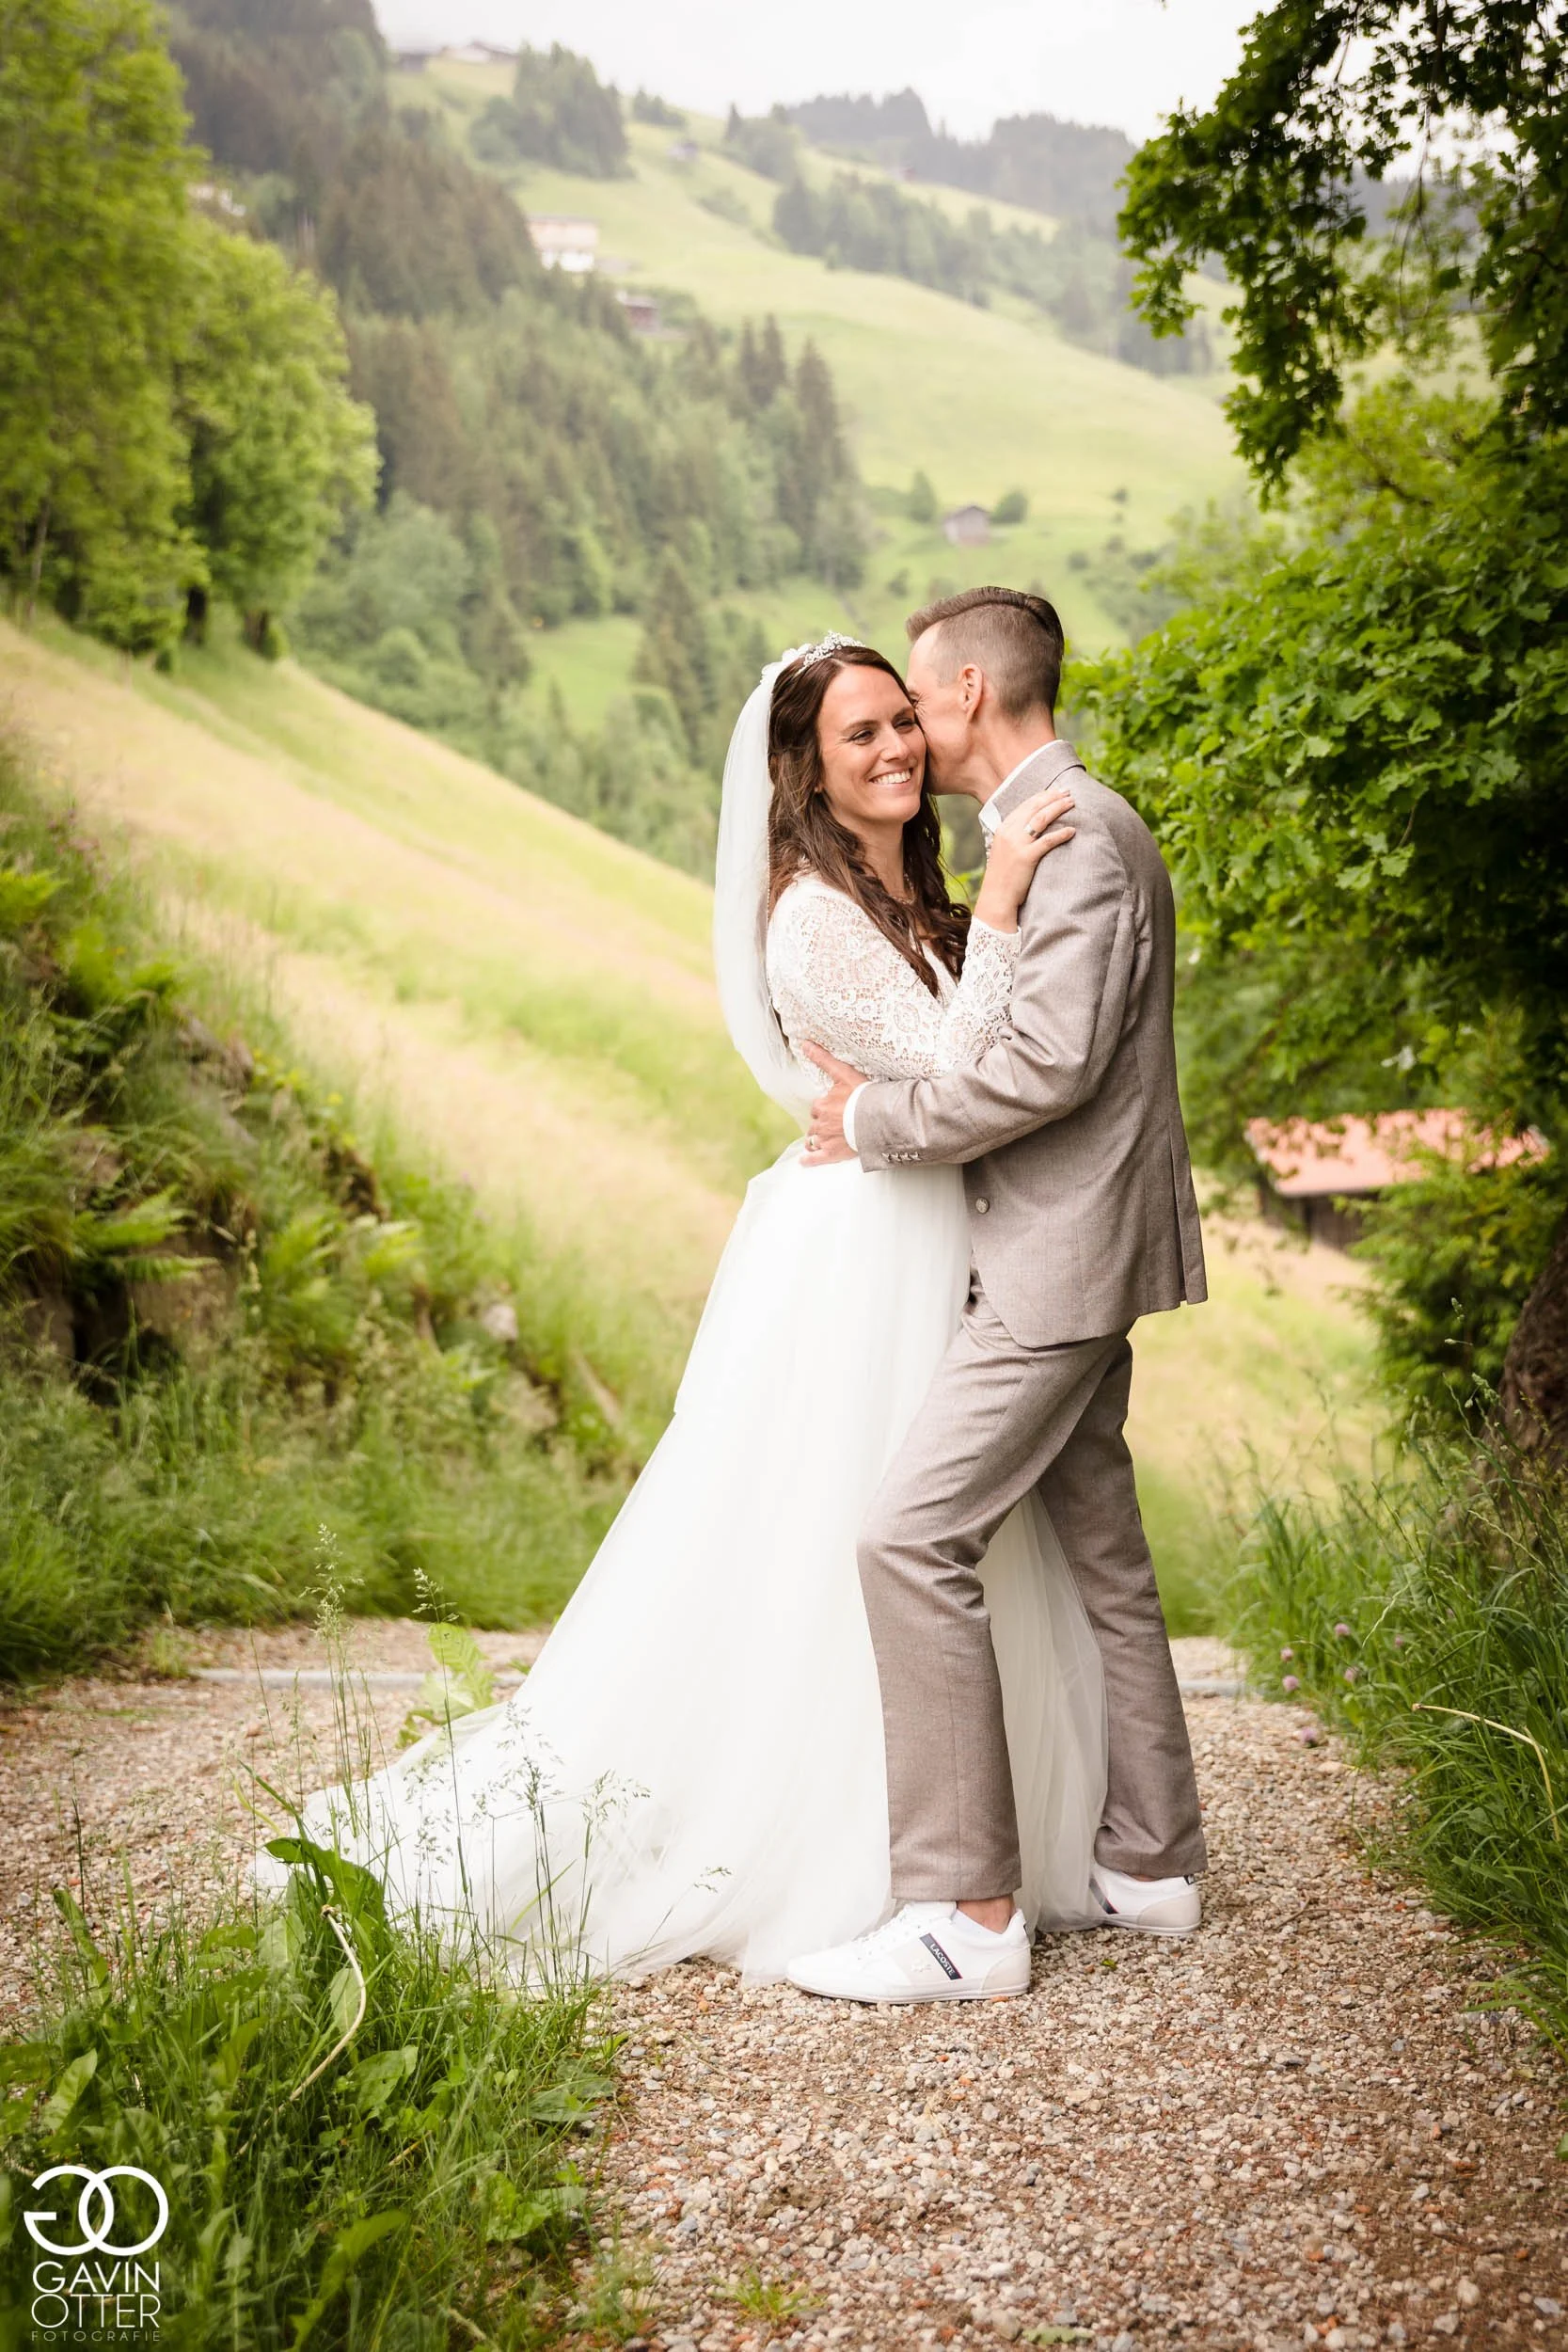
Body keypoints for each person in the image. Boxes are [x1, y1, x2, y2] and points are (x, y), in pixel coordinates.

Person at [258, 633, 1107, 1984]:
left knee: (949, 1535)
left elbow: (986, 1070)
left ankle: (976, 1848)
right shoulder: (810, 919)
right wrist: (1005, 901)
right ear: (806, 774)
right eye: (859, 736)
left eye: (901, 722)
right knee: (854, 1527)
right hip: (862, 1253)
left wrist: (977, 915)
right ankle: (871, 1855)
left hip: (930, 1234)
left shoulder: (909, 889)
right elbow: (960, 1067)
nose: (896, 749)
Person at [784, 588, 1209, 2008]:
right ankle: (1151, 1860)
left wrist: (869, 1122)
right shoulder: (1062, 826)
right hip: (1070, 1246)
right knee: (1101, 1551)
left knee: (907, 1540)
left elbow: (1044, 1069)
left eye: (916, 697)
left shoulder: (1074, 834)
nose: (910, 725)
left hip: (1051, 1259)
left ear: (968, 690)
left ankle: (966, 1914)